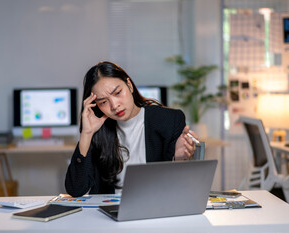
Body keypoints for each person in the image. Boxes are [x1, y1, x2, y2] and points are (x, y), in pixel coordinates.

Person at [65, 61, 198, 197]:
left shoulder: (168, 120)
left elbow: (178, 185)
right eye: (103, 102)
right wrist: (86, 134)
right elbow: (76, 189)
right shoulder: (98, 130)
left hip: (157, 207)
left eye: (117, 93)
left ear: (129, 85)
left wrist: (179, 159)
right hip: (110, 212)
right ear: (96, 105)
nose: (115, 105)